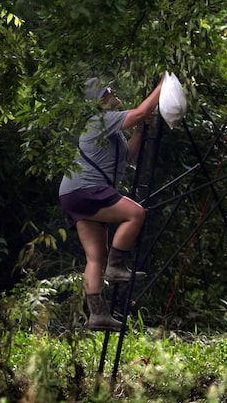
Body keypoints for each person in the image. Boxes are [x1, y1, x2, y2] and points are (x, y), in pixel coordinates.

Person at [59, 75, 164, 331]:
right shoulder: (100, 120)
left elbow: (127, 156)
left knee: (95, 257)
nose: (112, 92)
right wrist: (163, 86)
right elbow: (140, 112)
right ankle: (117, 267)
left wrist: (140, 131)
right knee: (136, 214)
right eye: (107, 91)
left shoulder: (108, 129)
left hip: (72, 194)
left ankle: (97, 315)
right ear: (99, 102)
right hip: (86, 188)